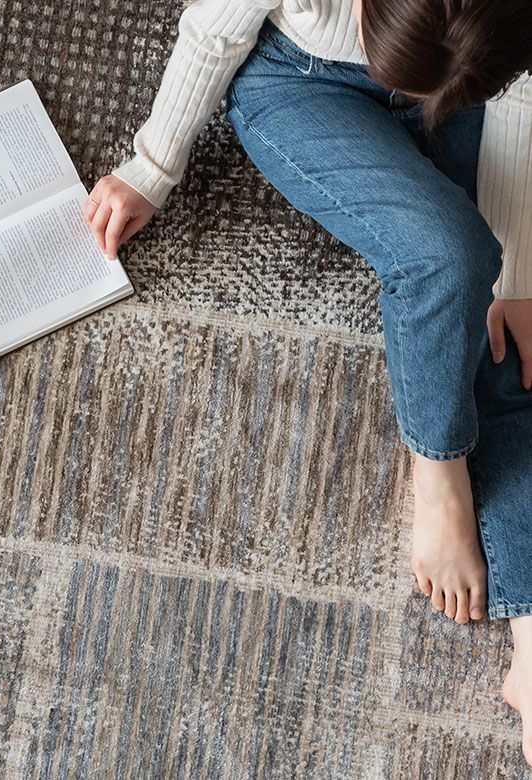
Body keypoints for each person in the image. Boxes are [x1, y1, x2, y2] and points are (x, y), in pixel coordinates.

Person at [82, 0, 532, 766]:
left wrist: (519, 277)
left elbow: (520, 90)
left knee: (504, 324)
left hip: (463, 80)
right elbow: (215, 29)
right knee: (449, 257)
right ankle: (438, 476)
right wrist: (151, 167)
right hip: (304, 77)